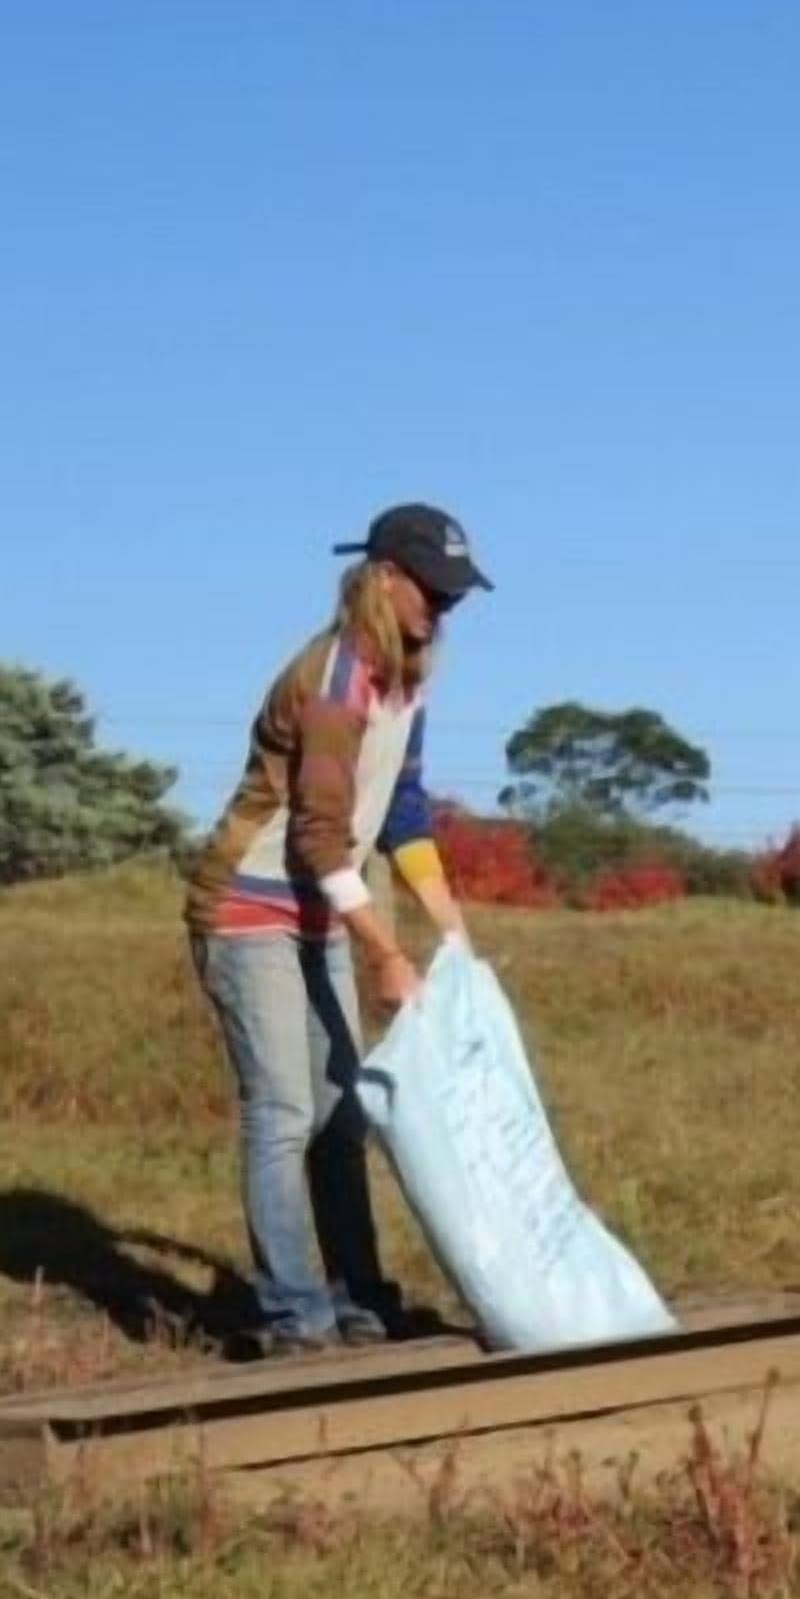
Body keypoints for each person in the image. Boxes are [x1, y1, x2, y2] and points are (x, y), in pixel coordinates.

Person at [183, 502, 492, 1356]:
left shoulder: (407, 678)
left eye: (455, 598)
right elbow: (321, 834)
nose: (442, 610)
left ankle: (362, 1299)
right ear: (384, 579)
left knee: (345, 1114)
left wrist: (448, 923)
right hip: (250, 906)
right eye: (432, 593)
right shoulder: (332, 683)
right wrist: (386, 953)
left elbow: (399, 807)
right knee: (284, 1109)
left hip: (322, 904)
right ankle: (294, 1315)